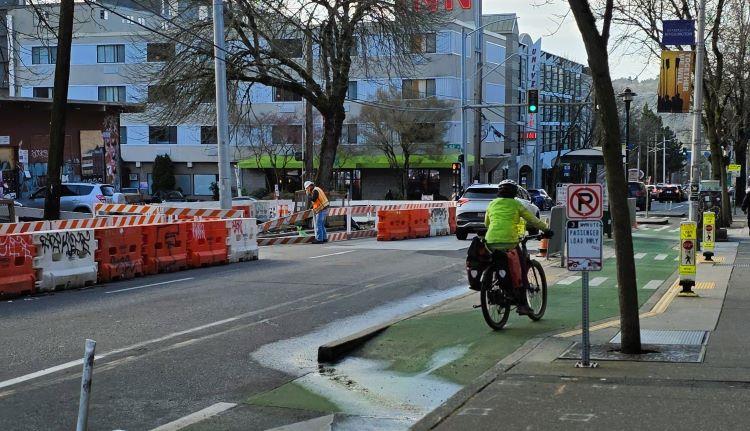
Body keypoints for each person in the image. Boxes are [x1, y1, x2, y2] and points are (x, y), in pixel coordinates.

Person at [484, 179, 551, 315]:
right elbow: (532, 219)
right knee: (521, 269)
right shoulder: (516, 204)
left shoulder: (491, 204)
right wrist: (546, 229)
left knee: (498, 264)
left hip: (490, 241)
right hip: (509, 242)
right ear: (514, 192)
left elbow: (486, 223)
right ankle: (523, 304)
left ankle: (499, 285)